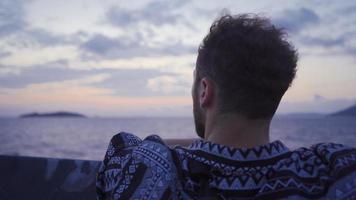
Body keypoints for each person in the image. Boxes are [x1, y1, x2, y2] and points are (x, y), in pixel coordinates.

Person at [96, 14, 356, 199]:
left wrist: (201, 144)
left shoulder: (154, 170)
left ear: (205, 91)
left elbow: (125, 149)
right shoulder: (329, 169)